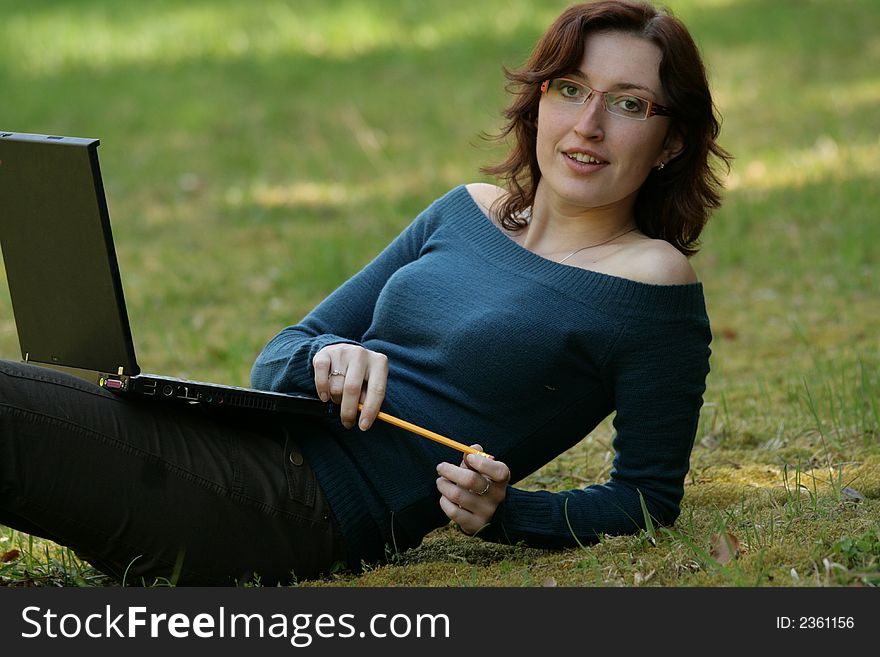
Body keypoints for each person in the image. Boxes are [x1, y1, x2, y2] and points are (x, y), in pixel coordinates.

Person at [0, 0, 730, 585]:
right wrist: (329, 357)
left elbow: (646, 497)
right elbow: (279, 355)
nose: (588, 124)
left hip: (291, 514)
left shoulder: (651, 283)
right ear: (538, 102)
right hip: (241, 441)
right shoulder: (462, 210)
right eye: (569, 89)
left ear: (671, 142)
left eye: (629, 104)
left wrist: (508, 514)